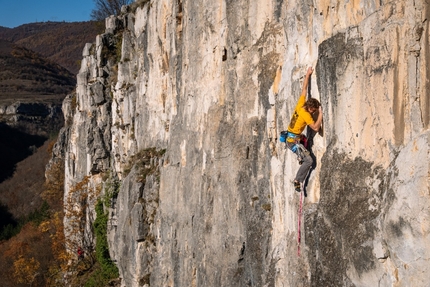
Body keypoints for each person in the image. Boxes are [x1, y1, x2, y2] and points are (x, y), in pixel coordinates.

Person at [286, 67, 322, 192]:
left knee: (304, 145)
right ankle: (298, 180)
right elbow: (316, 127)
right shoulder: (306, 115)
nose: (314, 113)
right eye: (315, 111)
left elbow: (304, 89)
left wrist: (308, 75)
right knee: (309, 160)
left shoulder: (301, 104)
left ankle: (300, 156)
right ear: (311, 109)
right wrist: (321, 114)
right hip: (292, 141)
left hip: (292, 137)